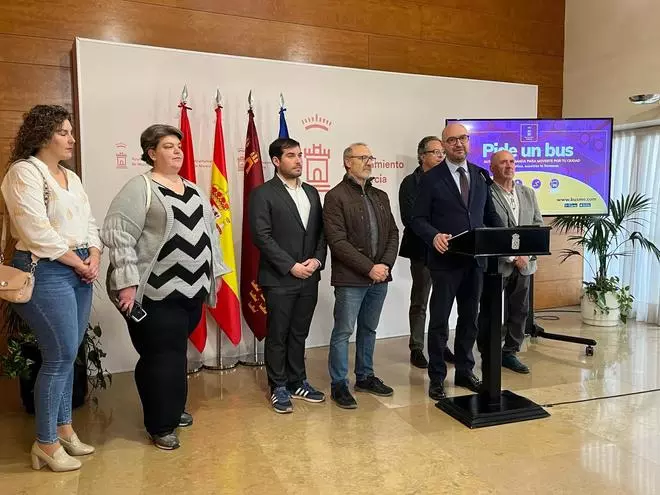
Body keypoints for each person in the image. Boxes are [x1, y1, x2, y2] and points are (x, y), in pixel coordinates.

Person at [102, 124, 229, 450]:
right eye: (169, 146)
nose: (177, 152)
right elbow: (119, 237)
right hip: (155, 295)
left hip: (192, 293)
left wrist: (213, 275)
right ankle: (160, 425)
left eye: (179, 147)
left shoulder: (193, 189)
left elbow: (210, 235)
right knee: (160, 357)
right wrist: (127, 286)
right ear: (151, 152)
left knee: (174, 355)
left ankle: (173, 408)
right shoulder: (139, 188)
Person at [1, 105, 101, 472]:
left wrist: (93, 255)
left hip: (77, 267)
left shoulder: (70, 177)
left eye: (71, 131)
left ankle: (63, 430)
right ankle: (45, 443)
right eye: (63, 132)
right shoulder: (24, 172)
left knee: (69, 353)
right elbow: (35, 230)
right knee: (58, 357)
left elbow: (89, 222)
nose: (71, 138)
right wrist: (77, 262)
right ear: (42, 135)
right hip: (45, 269)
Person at [411, 123, 503, 400]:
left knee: (469, 320)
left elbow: (489, 215)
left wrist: (506, 239)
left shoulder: (480, 175)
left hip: (475, 263)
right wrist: (433, 235)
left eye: (462, 138)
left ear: (469, 142)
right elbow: (417, 219)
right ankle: (437, 377)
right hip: (445, 262)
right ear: (444, 144)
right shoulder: (431, 178)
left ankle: (465, 370)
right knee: (439, 322)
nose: (458, 144)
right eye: (452, 140)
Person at [249, 138, 327, 414]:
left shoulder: (312, 192)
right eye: (291, 156)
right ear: (276, 161)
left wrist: (317, 260)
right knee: (278, 334)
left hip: (310, 277)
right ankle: (278, 385)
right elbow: (262, 236)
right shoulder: (263, 193)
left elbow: (320, 232)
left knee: (299, 333)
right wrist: (291, 265)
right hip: (280, 277)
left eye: (300, 154)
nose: (298, 160)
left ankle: (298, 381)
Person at [323, 142, 399, 409]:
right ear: (347, 162)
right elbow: (338, 241)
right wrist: (369, 268)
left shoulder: (380, 195)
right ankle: (339, 384)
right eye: (363, 157)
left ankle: (365, 376)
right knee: (343, 331)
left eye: (371, 157)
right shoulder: (335, 196)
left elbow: (393, 233)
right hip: (351, 279)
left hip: (380, 277)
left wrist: (385, 265)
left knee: (369, 329)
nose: (369, 161)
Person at [477, 150, 543, 374]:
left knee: (519, 310)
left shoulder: (528, 193)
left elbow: (537, 225)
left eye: (512, 161)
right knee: (490, 311)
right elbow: (486, 228)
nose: (509, 166)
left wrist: (527, 256)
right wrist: (512, 257)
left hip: (525, 264)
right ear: (493, 168)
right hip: (498, 265)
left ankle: (510, 352)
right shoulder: (485, 193)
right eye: (503, 162)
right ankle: (489, 351)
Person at [399, 136, 454, 368]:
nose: (441, 156)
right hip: (422, 250)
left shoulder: (447, 180)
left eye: (443, 152)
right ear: (422, 156)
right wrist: (435, 234)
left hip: (448, 250)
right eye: (436, 152)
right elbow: (410, 218)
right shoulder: (411, 183)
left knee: (444, 300)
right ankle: (417, 347)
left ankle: (440, 345)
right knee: (420, 299)